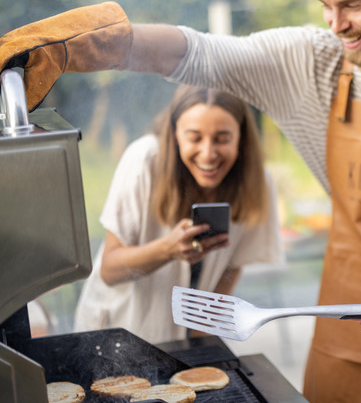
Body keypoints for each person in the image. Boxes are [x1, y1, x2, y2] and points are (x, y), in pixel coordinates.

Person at [0, 0, 361, 401]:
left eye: (351, 5)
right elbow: (196, 52)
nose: (337, 24)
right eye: (326, 5)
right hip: (344, 336)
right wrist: (93, 45)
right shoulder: (312, 62)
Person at [73, 85, 284, 344]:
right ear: (174, 134)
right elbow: (109, 270)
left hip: (185, 339)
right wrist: (167, 250)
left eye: (222, 139)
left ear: (241, 137)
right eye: (195, 138)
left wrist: (199, 339)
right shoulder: (144, 160)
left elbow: (232, 268)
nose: (208, 153)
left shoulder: (258, 181)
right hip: (118, 334)